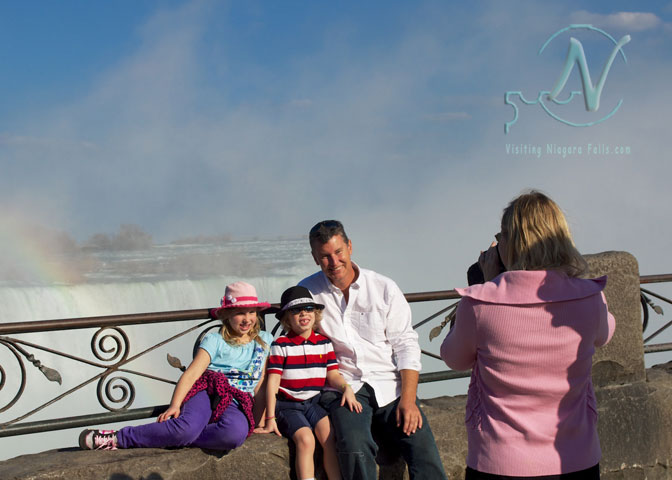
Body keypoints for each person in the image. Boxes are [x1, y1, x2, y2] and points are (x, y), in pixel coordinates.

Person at [440, 190, 616, 479]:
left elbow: (453, 357)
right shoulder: (591, 297)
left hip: (499, 462)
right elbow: (605, 333)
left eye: (501, 236)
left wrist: (488, 283)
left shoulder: (480, 302)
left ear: (514, 241)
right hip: (576, 459)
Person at [299, 220, 446, 480]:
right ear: (314, 258)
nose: (334, 262)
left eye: (338, 252)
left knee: (422, 447)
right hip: (344, 388)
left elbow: (406, 344)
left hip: (389, 384)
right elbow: (296, 339)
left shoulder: (383, 287)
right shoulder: (308, 293)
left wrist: (409, 400)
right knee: (354, 446)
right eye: (325, 256)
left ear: (350, 247)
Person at [79, 281, 273, 451]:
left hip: (237, 400)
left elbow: (260, 383)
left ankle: (173, 437)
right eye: (240, 312)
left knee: (234, 435)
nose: (247, 319)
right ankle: (117, 438)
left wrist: (260, 420)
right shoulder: (215, 340)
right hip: (206, 391)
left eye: (252, 312)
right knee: (186, 428)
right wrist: (175, 404)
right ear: (227, 315)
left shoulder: (264, 341)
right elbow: (192, 374)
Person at [256, 285, 362, 480]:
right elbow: (273, 383)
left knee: (330, 439)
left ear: (316, 314)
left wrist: (346, 388)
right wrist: (270, 418)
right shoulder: (281, 345)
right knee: (306, 440)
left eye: (308, 308)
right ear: (287, 318)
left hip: (314, 402)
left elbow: (333, 375)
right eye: (295, 310)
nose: (303, 313)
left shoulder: (324, 342)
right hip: (288, 406)